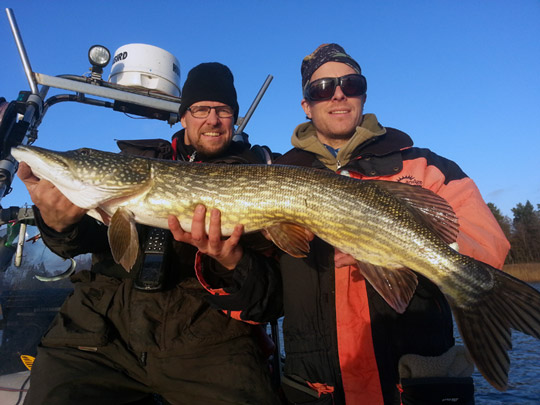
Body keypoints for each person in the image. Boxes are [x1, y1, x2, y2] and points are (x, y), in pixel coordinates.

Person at [176, 45, 511, 404]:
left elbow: (486, 242)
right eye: (321, 88)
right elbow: (267, 301)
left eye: (350, 84)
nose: (337, 93)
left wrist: (403, 249)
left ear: (363, 93)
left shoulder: (424, 166)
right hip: (319, 390)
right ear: (307, 104)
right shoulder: (274, 178)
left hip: (416, 385)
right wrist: (229, 263)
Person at [19, 62, 281, 405]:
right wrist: (57, 223)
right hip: (98, 334)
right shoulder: (134, 164)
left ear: (235, 118)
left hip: (208, 342)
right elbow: (79, 243)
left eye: (223, 110)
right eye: (200, 109)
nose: (212, 119)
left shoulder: (260, 176)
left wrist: (231, 261)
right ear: (184, 115)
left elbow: (268, 298)